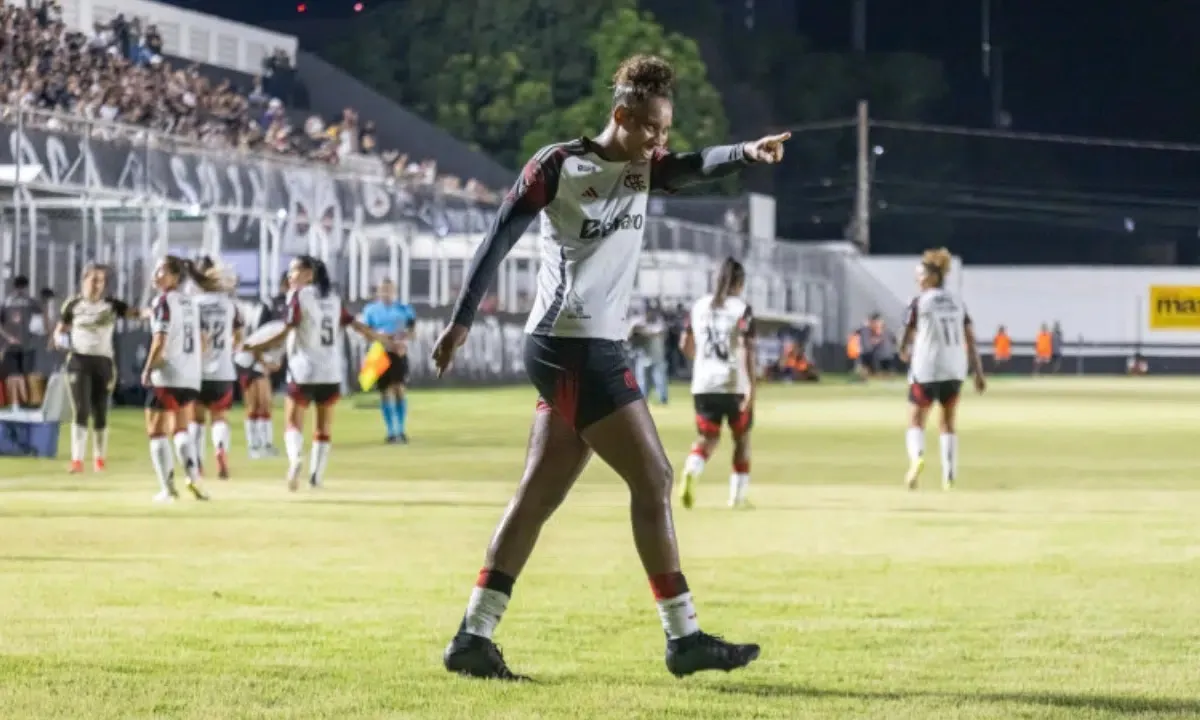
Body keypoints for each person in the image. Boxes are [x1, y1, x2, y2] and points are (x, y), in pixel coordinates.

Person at [430, 54, 789, 680]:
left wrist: (746, 152)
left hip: (583, 345)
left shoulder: (646, 169)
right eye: (651, 127)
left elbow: (694, 164)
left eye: (666, 128)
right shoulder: (559, 165)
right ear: (621, 115)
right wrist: (461, 321)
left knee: (537, 495)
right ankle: (684, 637)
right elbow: (497, 237)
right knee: (654, 478)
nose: (660, 140)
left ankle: (473, 635)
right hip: (573, 345)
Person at [243, 255, 388, 491]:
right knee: (323, 426)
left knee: (293, 421)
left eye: (294, 271)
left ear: (309, 274)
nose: (290, 276)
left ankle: (295, 459)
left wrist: (256, 347)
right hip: (331, 373)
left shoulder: (299, 296)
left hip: (304, 370)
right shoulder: (333, 298)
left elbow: (285, 331)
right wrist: (384, 341)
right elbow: (356, 326)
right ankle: (316, 477)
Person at [897, 248, 986, 491]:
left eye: (921, 275)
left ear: (933, 277)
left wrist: (902, 348)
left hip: (926, 367)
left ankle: (917, 459)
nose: (918, 279)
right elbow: (970, 338)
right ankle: (949, 475)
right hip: (955, 368)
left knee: (915, 420)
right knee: (947, 423)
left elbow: (905, 332)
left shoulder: (920, 301)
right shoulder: (958, 302)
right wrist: (978, 373)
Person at [142, 256, 223, 503]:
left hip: (167, 374)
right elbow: (204, 341)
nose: (156, 275)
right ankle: (194, 480)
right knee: (180, 428)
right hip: (190, 376)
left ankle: (168, 489)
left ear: (176, 277)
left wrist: (148, 368)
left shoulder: (163, 302)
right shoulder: (191, 303)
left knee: (156, 431)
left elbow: (159, 341)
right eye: (156, 270)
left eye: (162, 271)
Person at [677, 258, 757, 509]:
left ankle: (692, 468)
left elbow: (685, 346)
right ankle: (737, 497)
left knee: (707, 437)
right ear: (740, 283)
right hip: (733, 383)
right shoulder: (742, 310)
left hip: (704, 383)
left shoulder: (698, 307)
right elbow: (746, 348)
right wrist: (752, 387)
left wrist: (702, 357)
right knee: (741, 439)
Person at [55, 264, 142, 473]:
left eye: (100, 280)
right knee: (81, 410)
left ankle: (99, 459)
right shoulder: (73, 304)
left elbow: (135, 313)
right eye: (93, 280)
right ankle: (77, 460)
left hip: (103, 362)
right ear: (84, 281)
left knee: (100, 411)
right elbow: (61, 328)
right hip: (78, 361)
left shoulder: (111, 305)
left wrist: (152, 311)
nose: (96, 285)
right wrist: (59, 338)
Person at [190, 256, 243, 480]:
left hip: (197, 371)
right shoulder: (228, 304)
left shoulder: (193, 304)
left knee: (196, 419)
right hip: (223, 369)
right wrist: (229, 352)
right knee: (219, 417)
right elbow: (238, 336)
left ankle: (198, 464)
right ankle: (220, 450)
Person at [360, 279, 416, 443]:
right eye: (383, 290)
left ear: (395, 291)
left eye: (389, 290)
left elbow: (412, 332)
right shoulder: (370, 310)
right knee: (386, 392)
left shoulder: (404, 309)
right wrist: (379, 336)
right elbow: (366, 332)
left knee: (399, 389)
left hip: (398, 353)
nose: (386, 293)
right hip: (380, 353)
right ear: (378, 292)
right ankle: (391, 432)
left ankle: (401, 430)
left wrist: (403, 339)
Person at [235, 296, 282, 458]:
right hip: (247, 361)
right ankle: (257, 446)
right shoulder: (278, 329)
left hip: (255, 362)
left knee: (262, 406)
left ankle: (261, 445)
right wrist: (265, 364)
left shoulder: (284, 329)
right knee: (260, 404)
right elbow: (252, 347)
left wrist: (273, 363)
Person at [1, 275, 45, 409]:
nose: (21, 290)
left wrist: (7, 338)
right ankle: (19, 404)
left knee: (20, 376)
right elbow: (42, 314)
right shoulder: (26, 301)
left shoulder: (9, 302)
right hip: (20, 345)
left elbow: (40, 316)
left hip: (21, 345)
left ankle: (20, 404)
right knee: (18, 376)